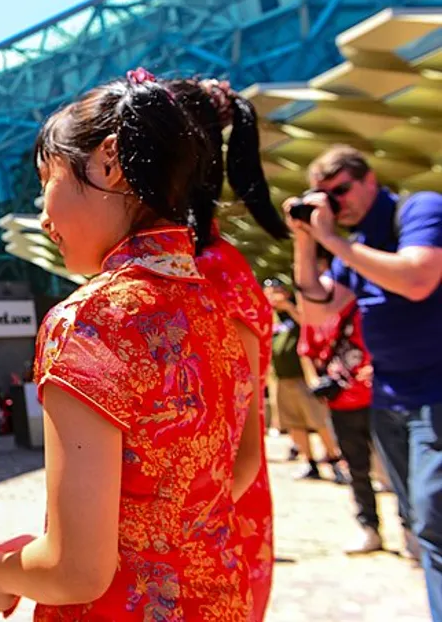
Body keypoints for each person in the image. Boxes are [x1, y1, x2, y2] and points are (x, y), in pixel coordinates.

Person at [0, 69, 252, 620]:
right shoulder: (215, 310)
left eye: (46, 179)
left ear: (109, 161)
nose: (43, 216)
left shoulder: (90, 319)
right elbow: (231, 477)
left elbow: (75, 571)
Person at [284, 145, 442, 612]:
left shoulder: (418, 209)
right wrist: (305, 240)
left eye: (341, 191)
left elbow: (418, 279)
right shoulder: (353, 245)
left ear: (369, 178)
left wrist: (333, 240)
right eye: (324, 197)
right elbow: (317, 310)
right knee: (417, 521)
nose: (336, 204)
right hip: (389, 397)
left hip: (435, 393)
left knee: (434, 521)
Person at [166, 76, 285, 620]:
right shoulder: (194, 269)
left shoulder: (211, 276)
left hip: (209, 540)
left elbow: (240, 455)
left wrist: (156, 541)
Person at [297, 257, 382, 554]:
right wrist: (316, 385)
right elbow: (306, 351)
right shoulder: (315, 317)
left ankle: (410, 528)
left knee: (395, 468)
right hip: (341, 403)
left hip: (379, 399)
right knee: (356, 468)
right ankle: (369, 526)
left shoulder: (366, 308)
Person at [264, 279, 349, 483]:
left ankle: (334, 459)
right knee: (293, 423)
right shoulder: (271, 317)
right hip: (282, 378)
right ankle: (309, 462)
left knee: (318, 420)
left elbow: (309, 326)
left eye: (277, 291)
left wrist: (289, 307)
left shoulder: (296, 312)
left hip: (303, 377)